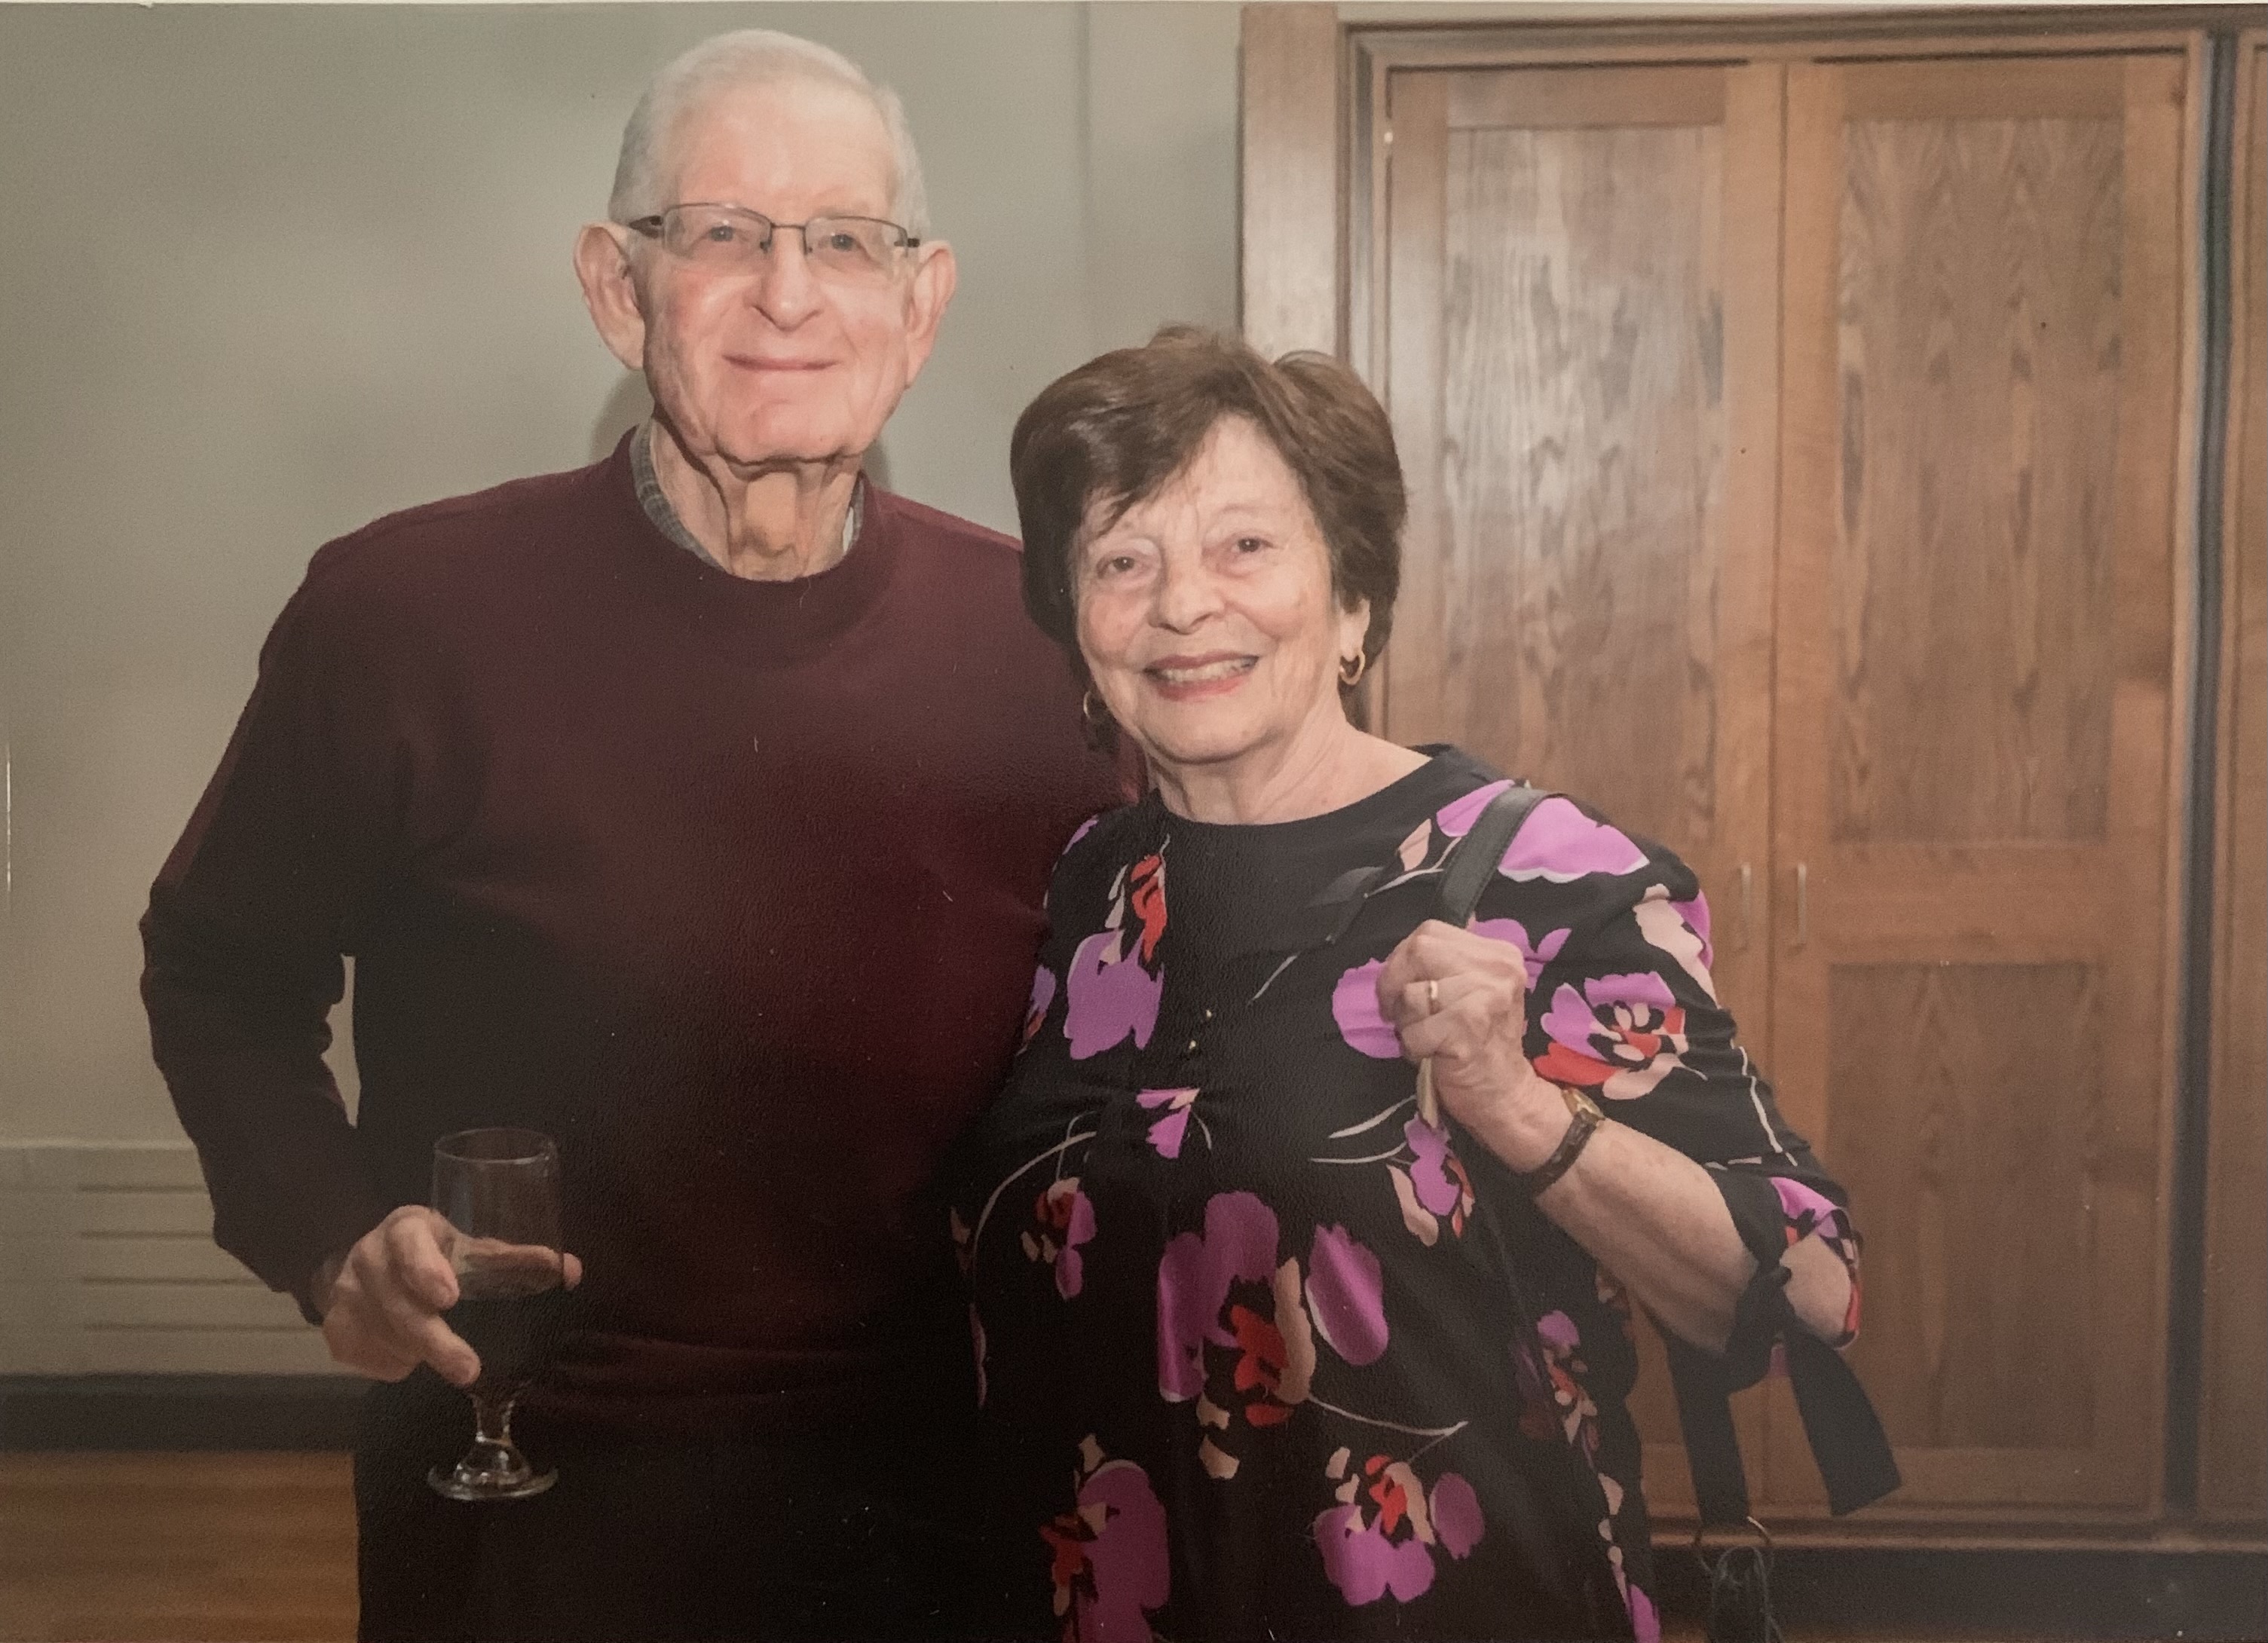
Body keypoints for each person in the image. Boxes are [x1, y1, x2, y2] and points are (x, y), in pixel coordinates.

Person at [139, 30, 1125, 1642]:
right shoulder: (402, 617)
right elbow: (218, 972)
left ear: (920, 304)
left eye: (843, 242)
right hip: (516, 1476)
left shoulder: (1043, 645)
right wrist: (328, 1241)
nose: (788, 294)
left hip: (925, 1496)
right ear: (617, 286)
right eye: (722, 232)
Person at [948, 328, 1870, 1641]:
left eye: (1244, 547)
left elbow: (1807, 1293)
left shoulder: (1539, 872)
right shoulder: (1094, 882)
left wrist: (1517, 1107)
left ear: (1353, 602)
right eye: (1120, 559)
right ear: (1074, 621)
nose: (1181, 605)